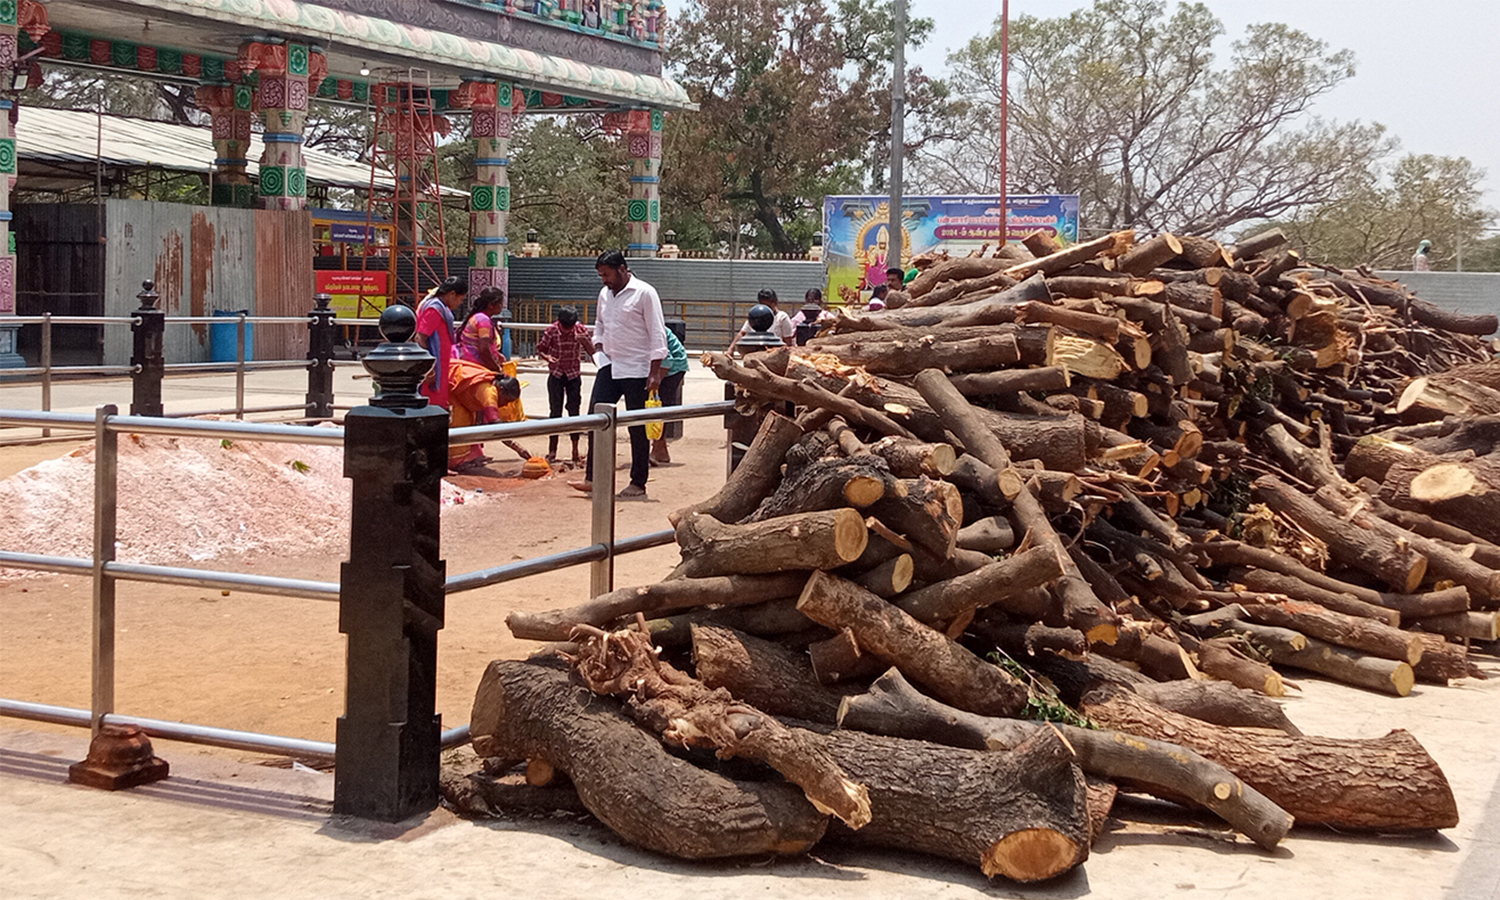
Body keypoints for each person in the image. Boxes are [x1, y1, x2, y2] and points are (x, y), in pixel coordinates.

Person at [571, 250, 667, 500]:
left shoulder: (645, 293)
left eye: (607, 274)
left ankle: (638, 482)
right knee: (596, 420)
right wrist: (598, 344)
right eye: (601, 275)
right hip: (610, 366)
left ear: (623, 269)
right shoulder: (604, 294)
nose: (604, 280)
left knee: (637, 427)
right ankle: (594, 477)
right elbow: (600, 324)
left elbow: (657, 332)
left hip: (637, 368)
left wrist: (655, 371)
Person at [447, 360, 530, 471]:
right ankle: (451, 463)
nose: (505, 405)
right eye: (506, 400)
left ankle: (469, 457)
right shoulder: (489, 392)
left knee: (472, 422)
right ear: (500, 390)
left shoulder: (491, 386)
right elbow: (496, 427)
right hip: (451, 391)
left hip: (463, 396)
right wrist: (518, 448)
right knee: (459, 424)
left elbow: (479, 423)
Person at [535, 305, 591, 463]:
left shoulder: (580, 330)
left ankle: (575, 450)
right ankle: (552, 451)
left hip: (573, 374)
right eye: (565, 327)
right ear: (559, 322)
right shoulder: (551, 331)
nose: (567, 331)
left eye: (570, 327)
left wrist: (584, 340)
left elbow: (591, 348)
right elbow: (541, 349)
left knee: (574, 411)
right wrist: (547, 357)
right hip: (556, 374)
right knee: (555, 412)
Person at [414, 275, 467, 411]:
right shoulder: (435, 310)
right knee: (431, 407)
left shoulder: (442, 309)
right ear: (452, 294)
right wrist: (428, 369)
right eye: (460, 299)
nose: (460, 303)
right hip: (433, 370)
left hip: (441, 366)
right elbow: (420, 338)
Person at [651, 326, 690, 466]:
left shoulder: (654, 329)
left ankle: (658, 448)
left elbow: (667, 360)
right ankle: (661, 449)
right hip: (665, 364)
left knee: (660, 405)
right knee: (656, 405)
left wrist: (655, 382)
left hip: (673, 367)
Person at [456, 287, 507, 371]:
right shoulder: (483, 320)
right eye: (500, 303)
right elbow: (484, 350)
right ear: (491, 305)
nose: (502, 306)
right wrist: (496, 368)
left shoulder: (480, 317)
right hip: (475, 367)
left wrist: (497, 355)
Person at [728, 289, 794, 353]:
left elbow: (788, 341)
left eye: (768, 306)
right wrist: (731, 349)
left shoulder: (782, 317)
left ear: (775, 303)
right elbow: (742, 333)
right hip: (755, 352)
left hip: (773, 354)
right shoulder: (756, 316)